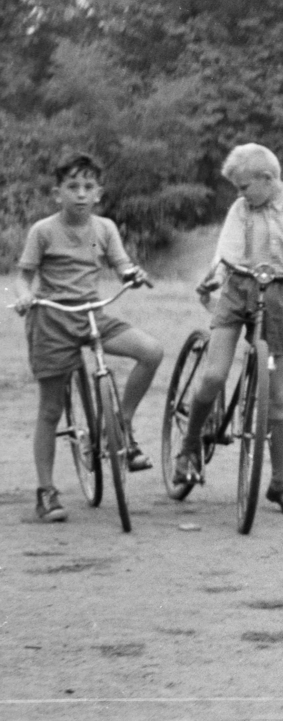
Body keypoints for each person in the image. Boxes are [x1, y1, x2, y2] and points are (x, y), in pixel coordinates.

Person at [175, 144, 283, 515]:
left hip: (276, 296)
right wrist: (216, 274)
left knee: (275, 393)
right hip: (237, 289)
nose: (239, 194)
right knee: (213, 376)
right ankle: (190, 446)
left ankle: (280, 482)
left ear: (268, 179)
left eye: (244, 186)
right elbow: (226, 251)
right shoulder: (240, 210)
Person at [15, 153, 163, 522]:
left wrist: (132, 274)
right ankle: (46, 492)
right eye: (72, 187)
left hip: (92, 315)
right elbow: (24, 276)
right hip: (52, 320)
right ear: (57, 193)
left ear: (99, 193)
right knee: (50, 410)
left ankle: (122, 425)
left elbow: (121, 263)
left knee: (151, 351)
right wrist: (24, 294)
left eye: (88, 188)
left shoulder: (104, 229)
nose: (80, 195)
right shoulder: (43, 231)